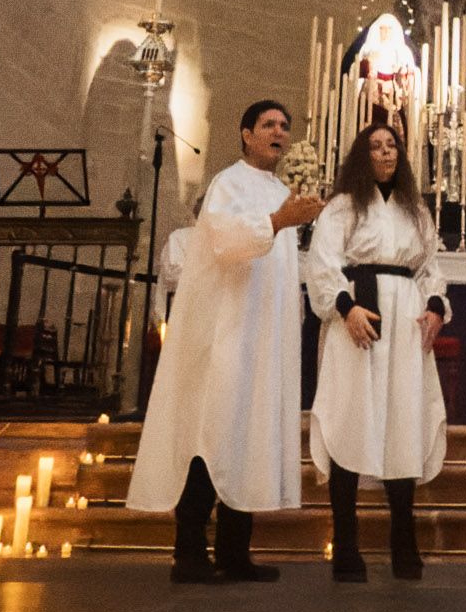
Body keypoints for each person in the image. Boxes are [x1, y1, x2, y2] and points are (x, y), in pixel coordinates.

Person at [128, 99, 325, 582]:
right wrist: (279, 222)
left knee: (250, 440)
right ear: (245, 133)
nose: (279, 132)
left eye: (285, 125)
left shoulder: (282, 190)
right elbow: (227, 242)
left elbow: (283, 270)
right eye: (269, 124)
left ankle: (236, 553)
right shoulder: (227, 184)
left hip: (264, 342)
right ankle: (189, 552)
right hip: (228, 340)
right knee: (211, 437)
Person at [305, 117, 450, 580]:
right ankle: (346, 546)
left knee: (401, 421)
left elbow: (430, 268)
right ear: (361, 156)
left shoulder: (415, 210)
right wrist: (346, 308)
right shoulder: (343, 206)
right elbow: (323, 264)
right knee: (352, 417)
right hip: (358, 319)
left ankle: (403, 543)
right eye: (376, 146)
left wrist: (434, 307)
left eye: (392, 146)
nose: (386, 153)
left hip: (405, 321)